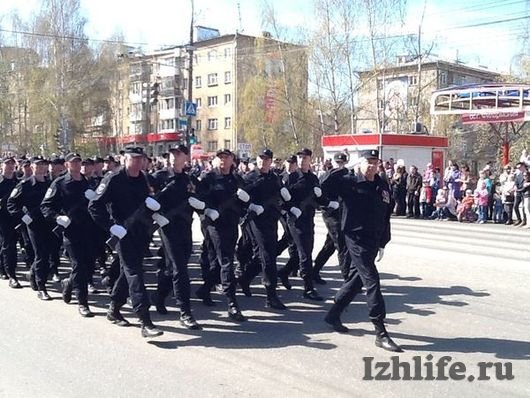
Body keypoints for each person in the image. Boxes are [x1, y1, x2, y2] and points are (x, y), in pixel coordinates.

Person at [324, 149, 401, 352]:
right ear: (360, 163)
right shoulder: (348, 182)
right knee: (371, 280)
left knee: (357, 279)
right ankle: (380, 331)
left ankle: (333, 313)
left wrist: (384, 240)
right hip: (355, 238)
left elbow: (385, 213)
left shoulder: (381, 184)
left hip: (374, 239)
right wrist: (342, 169)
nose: (372, 167)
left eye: (375, 163)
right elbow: (324, 187)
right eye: (368, 162)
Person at [88, 146, 163, 338]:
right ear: (125, 159)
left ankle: (114, 308)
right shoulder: (113, 178)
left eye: (141, 158)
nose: (138, 162)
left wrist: (153, 209)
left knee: (126, 271)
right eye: (133, 158)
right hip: (122, 233)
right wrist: (111, 226)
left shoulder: (143, 179)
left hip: (141, 232)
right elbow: (94, 205)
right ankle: (145, 320)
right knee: (134, 273)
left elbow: (143, 202)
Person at [41, 153, 99, 317]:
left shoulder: (90, 183)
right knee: (79, 264)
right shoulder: (59, 183)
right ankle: (83, 302)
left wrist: (94, 199)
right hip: (71, 230)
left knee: (88, 265)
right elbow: (46, 206)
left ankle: (69, 283)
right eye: (73, 162)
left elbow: (99, 205)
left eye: (78, 161)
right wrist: (57, 217)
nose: (76, 164)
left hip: (89, 229)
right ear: (67, 164)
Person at [152, 144, 203, 329]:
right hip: (167, 227)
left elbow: (202, 199)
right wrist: (155, 215)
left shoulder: (190, 180)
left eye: (178, 153)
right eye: (172, 154)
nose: (174, 156)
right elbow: (146, 200)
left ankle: (159, 296)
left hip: (185, 228)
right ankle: (185, 311)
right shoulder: (159, 178)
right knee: (180, 269)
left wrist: (200, 205)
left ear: (186, 157)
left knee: (171, 267)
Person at [195, 148, 248, 321]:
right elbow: (198, 200)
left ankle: (204, 289)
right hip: (214, 226)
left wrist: (245, 202)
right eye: (220, 158)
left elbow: (244, 203)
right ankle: (232, 304)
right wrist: (207, 211)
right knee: (226, 261)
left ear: (232, 159)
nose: (223, 160)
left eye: (226, 157)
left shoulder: (236, 179)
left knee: (217, 263)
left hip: (231, 224)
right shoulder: (208, 178)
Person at [277, 148, 335, 301]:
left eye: (305, 158)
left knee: (303, 252)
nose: (302, 160)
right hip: (295, 220)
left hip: (308, 219)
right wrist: (291, 208)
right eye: (300, 157)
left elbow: (319, 201)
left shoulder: (314, 178)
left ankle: (283, 272)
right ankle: (308, 288)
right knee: (305, 254)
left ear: (310, 159)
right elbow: (282, 200)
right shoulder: (291, 178)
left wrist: (324, 199)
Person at [236, 148, 289, 309]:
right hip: (256, 220)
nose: (263, 162)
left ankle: (245, 278)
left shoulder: (274, 177)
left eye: (266, 159)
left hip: (271, 219)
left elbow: (280, 195)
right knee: (267, 256)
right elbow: (240, 198)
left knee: (264, 254)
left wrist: (285, 201)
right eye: (260, 159)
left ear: (270, 161)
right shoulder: (250, 177)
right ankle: (271, 294)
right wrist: (251, 205)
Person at [7, 156, 53, 300]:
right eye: (38, 165)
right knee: (41, 254)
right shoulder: (25, 185)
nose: (41, 167)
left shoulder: (51, 184)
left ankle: (33, 272)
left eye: (43, 164)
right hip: (34, 224)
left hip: (50, 223)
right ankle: (42, 287)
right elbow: (11, 203)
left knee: (49, 253)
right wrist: (22, 216)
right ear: (31, 167)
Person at [313, 151, 350, 282]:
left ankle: (315, 270)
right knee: (341, 244)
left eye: (342, 163)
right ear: (333, 162)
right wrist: (327, 205)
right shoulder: (327, 176)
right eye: (337, 162)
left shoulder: (347, 175)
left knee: (330, 244)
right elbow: (318, 194)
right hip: (330, 213)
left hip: (341, 213)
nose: (340, 165)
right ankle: (348, 279)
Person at [0, 157, 20, 287]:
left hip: (15, 217)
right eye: (7, 164)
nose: (10, 166)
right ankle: (11, 274)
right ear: (2, 166)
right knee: (8, 245)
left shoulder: (18, 182)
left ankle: (4, 268)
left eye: (12, 164)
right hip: (2, 217)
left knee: (9, 244)